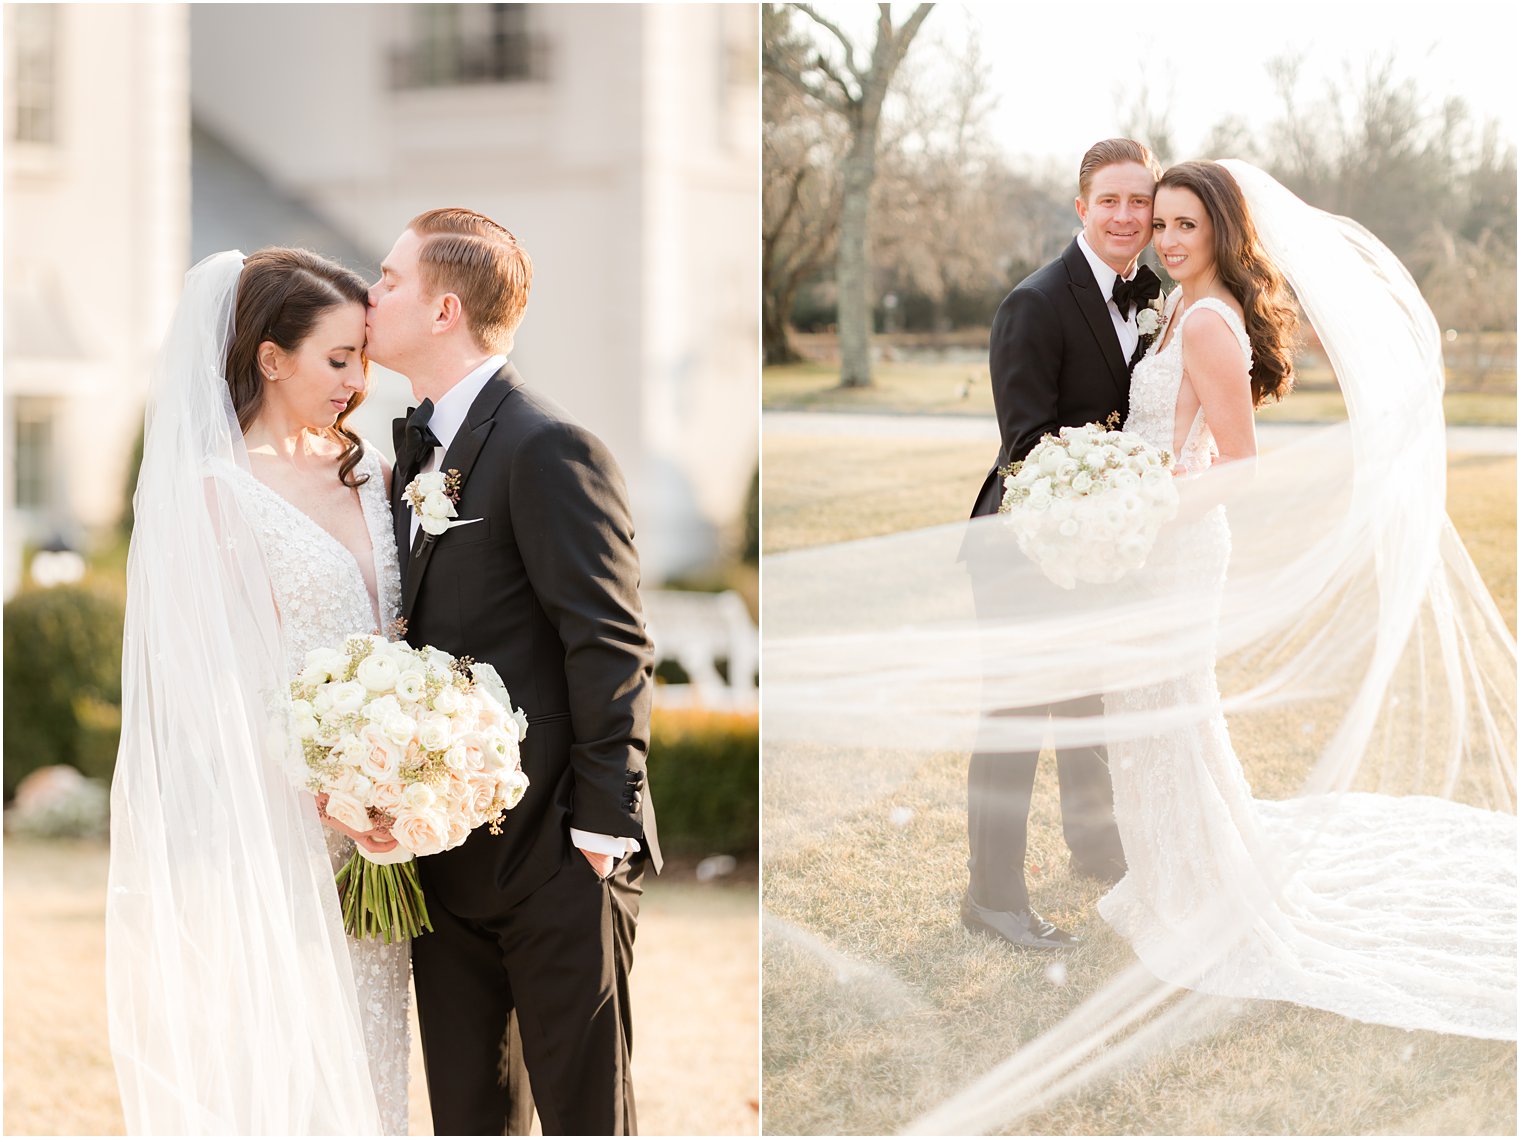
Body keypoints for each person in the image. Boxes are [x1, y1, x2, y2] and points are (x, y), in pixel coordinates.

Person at [1096, 160, 1516, 1036]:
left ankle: (1204, 894)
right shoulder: (1175, 306)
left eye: (1185, 226)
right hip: (1145, 541)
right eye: (1162, 224)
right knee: (1147, 711)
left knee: (1166, 707)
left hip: (1177, 544)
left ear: (1219, 232)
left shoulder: (1210, 321)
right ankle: (1178, 878)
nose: (1168, 241)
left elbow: (1237, 468)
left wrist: (1152, 504)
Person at [363, 207, 660, 1135]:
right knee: (468, 1122)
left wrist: (602, 832)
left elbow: (610, 641)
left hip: (558, 863)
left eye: (387, 281)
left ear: (444, 309)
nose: (369, 295)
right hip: (447, 866)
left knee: (585, 1120)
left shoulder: (548, 447)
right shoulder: (412, 452)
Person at [107, 248, 410, 1133]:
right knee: (292, 1058)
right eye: (338, 358)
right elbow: (213, 688)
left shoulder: (376, 477)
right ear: (271, 358)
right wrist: (330, 791)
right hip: (285, 826)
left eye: (362, 357)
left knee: (374, 1053)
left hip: (387, 832)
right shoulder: (215, 495)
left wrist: (415, 767)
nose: (356, 381)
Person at [962, 138, 1162, 950]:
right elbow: (1028, 444)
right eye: (1108, 200)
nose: (1124, 215)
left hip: (1104, 544)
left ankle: (1096, 847)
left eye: (1138, 202)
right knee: (1016, 720)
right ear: (1082, 207)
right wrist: (1104, 500)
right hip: (1023, 543)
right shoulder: (1035, 303)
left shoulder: (1153, 296)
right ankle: (993, 897)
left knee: (1093, 703)